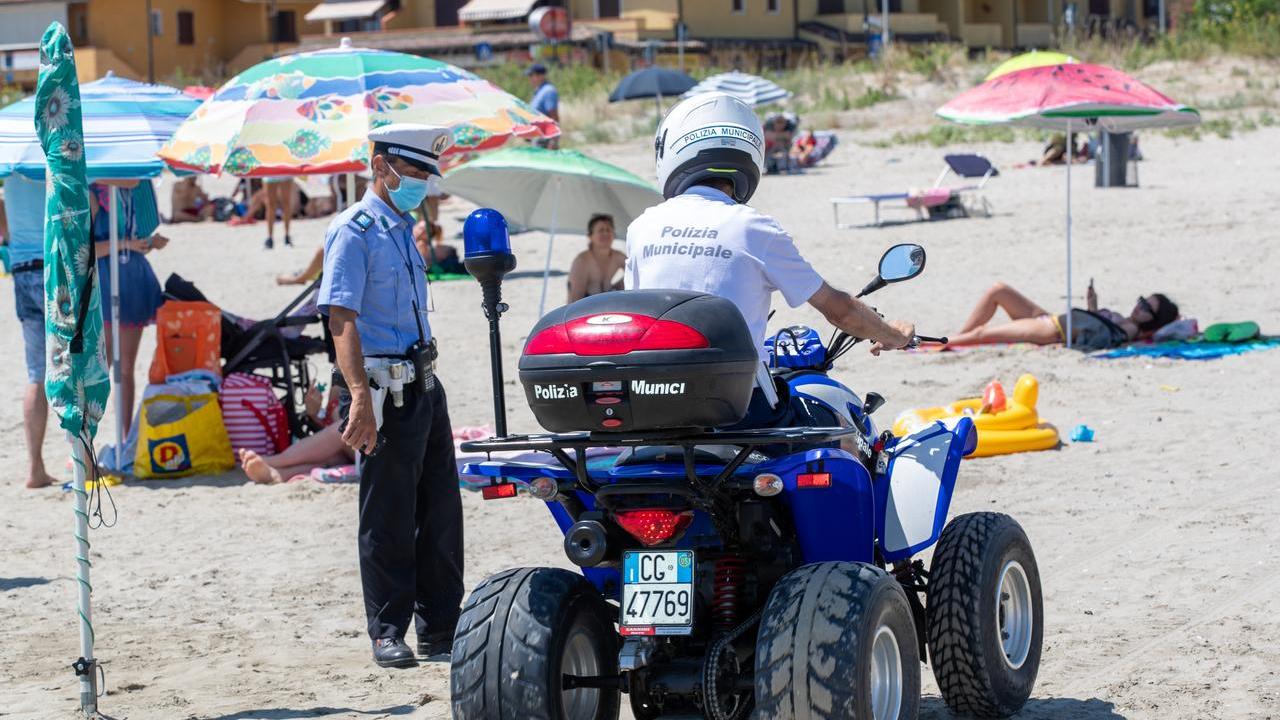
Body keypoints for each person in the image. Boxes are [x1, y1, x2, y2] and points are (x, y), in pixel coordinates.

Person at [626, 93, 914, 425]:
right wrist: (892, 334)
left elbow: (641, 314)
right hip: (742, 406)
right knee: (846, 426)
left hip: (654, 403)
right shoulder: (753, 228)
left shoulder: (641, 228)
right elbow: (839, 309)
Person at [318, 123, 463, 669]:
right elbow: (341, 319)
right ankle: (387, 629)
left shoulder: (400, 227)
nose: (423, 183)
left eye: (427, 174)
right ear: (382, 168)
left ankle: (441, 627)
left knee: (442, 510)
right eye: (417, 172)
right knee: (388, 514)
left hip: (424, 381)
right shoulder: (353, 231)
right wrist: (357, 396)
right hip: (383, 387)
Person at [90, 179, 168, 439]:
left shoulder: (138, 189)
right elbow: (83, 248)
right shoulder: (93, 192)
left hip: (133, 279)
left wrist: (146, 243)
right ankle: (88, 438)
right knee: (102, 368)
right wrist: (127, 244)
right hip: (106, 280)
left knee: (125, 367)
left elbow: (133, 244)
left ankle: (124, 437)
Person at [3, 175, 58, 488]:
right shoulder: (52, 161)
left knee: (37, 373)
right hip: (52, 265)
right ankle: (86, 464)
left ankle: (35, 467)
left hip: (21, 268)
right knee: (71, 366)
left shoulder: (9, 167)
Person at [946, 281, 1180, 347]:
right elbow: (1095, 326)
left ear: (1153, 321)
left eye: (1147, 309)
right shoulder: (1125, 321)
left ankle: (944, 343)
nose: (1140, 307)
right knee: (998, 290)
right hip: (1051, 318)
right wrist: (1093, 307)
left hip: (1052, 330)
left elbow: (1102, 338)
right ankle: (956, 339)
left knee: (983, 333)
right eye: (1142, 301)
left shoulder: (1130, 330)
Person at [567, 213, 625, 302]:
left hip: (607, 306)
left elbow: (637, 272)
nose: (605, 233)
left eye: (608, 230)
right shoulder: (582, 261)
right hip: (585, 309)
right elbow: (574, 301)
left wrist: (619, 288)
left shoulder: (618, 257)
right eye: (601, 230)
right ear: (590, 236)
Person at [526, 63, 560, 149]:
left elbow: (553, 116)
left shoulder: (548, 91)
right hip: (537, 137)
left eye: (531, 75)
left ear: (540, 76)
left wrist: (554, 140)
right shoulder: (539, 91)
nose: (529, 79)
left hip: (544, 139)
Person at [263, 176, 296, 248]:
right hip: (270, 171)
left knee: (286, 203)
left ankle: (287, 236)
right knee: (270, 204)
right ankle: (270, 237)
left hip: (284, 171)